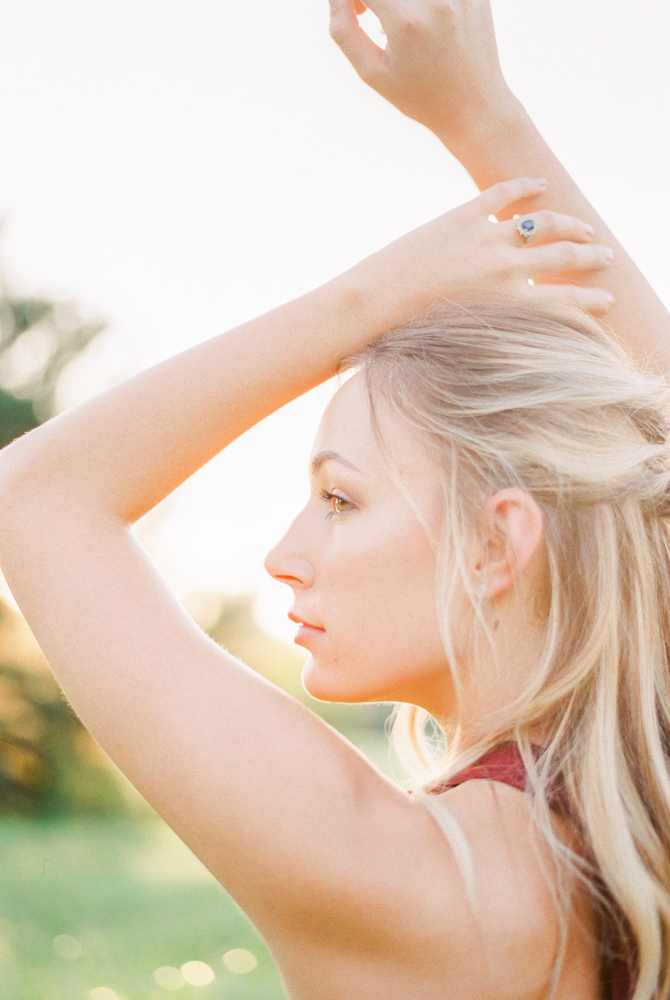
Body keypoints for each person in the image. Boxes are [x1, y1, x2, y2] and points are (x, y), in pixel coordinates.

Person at [0, 3, 668, 999]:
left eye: (341, 498)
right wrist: (482, 116)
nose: (283, 554)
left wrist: (365, 296)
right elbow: (649, 436)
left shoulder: (409, 882)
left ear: (496, 546)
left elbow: (38, 496)